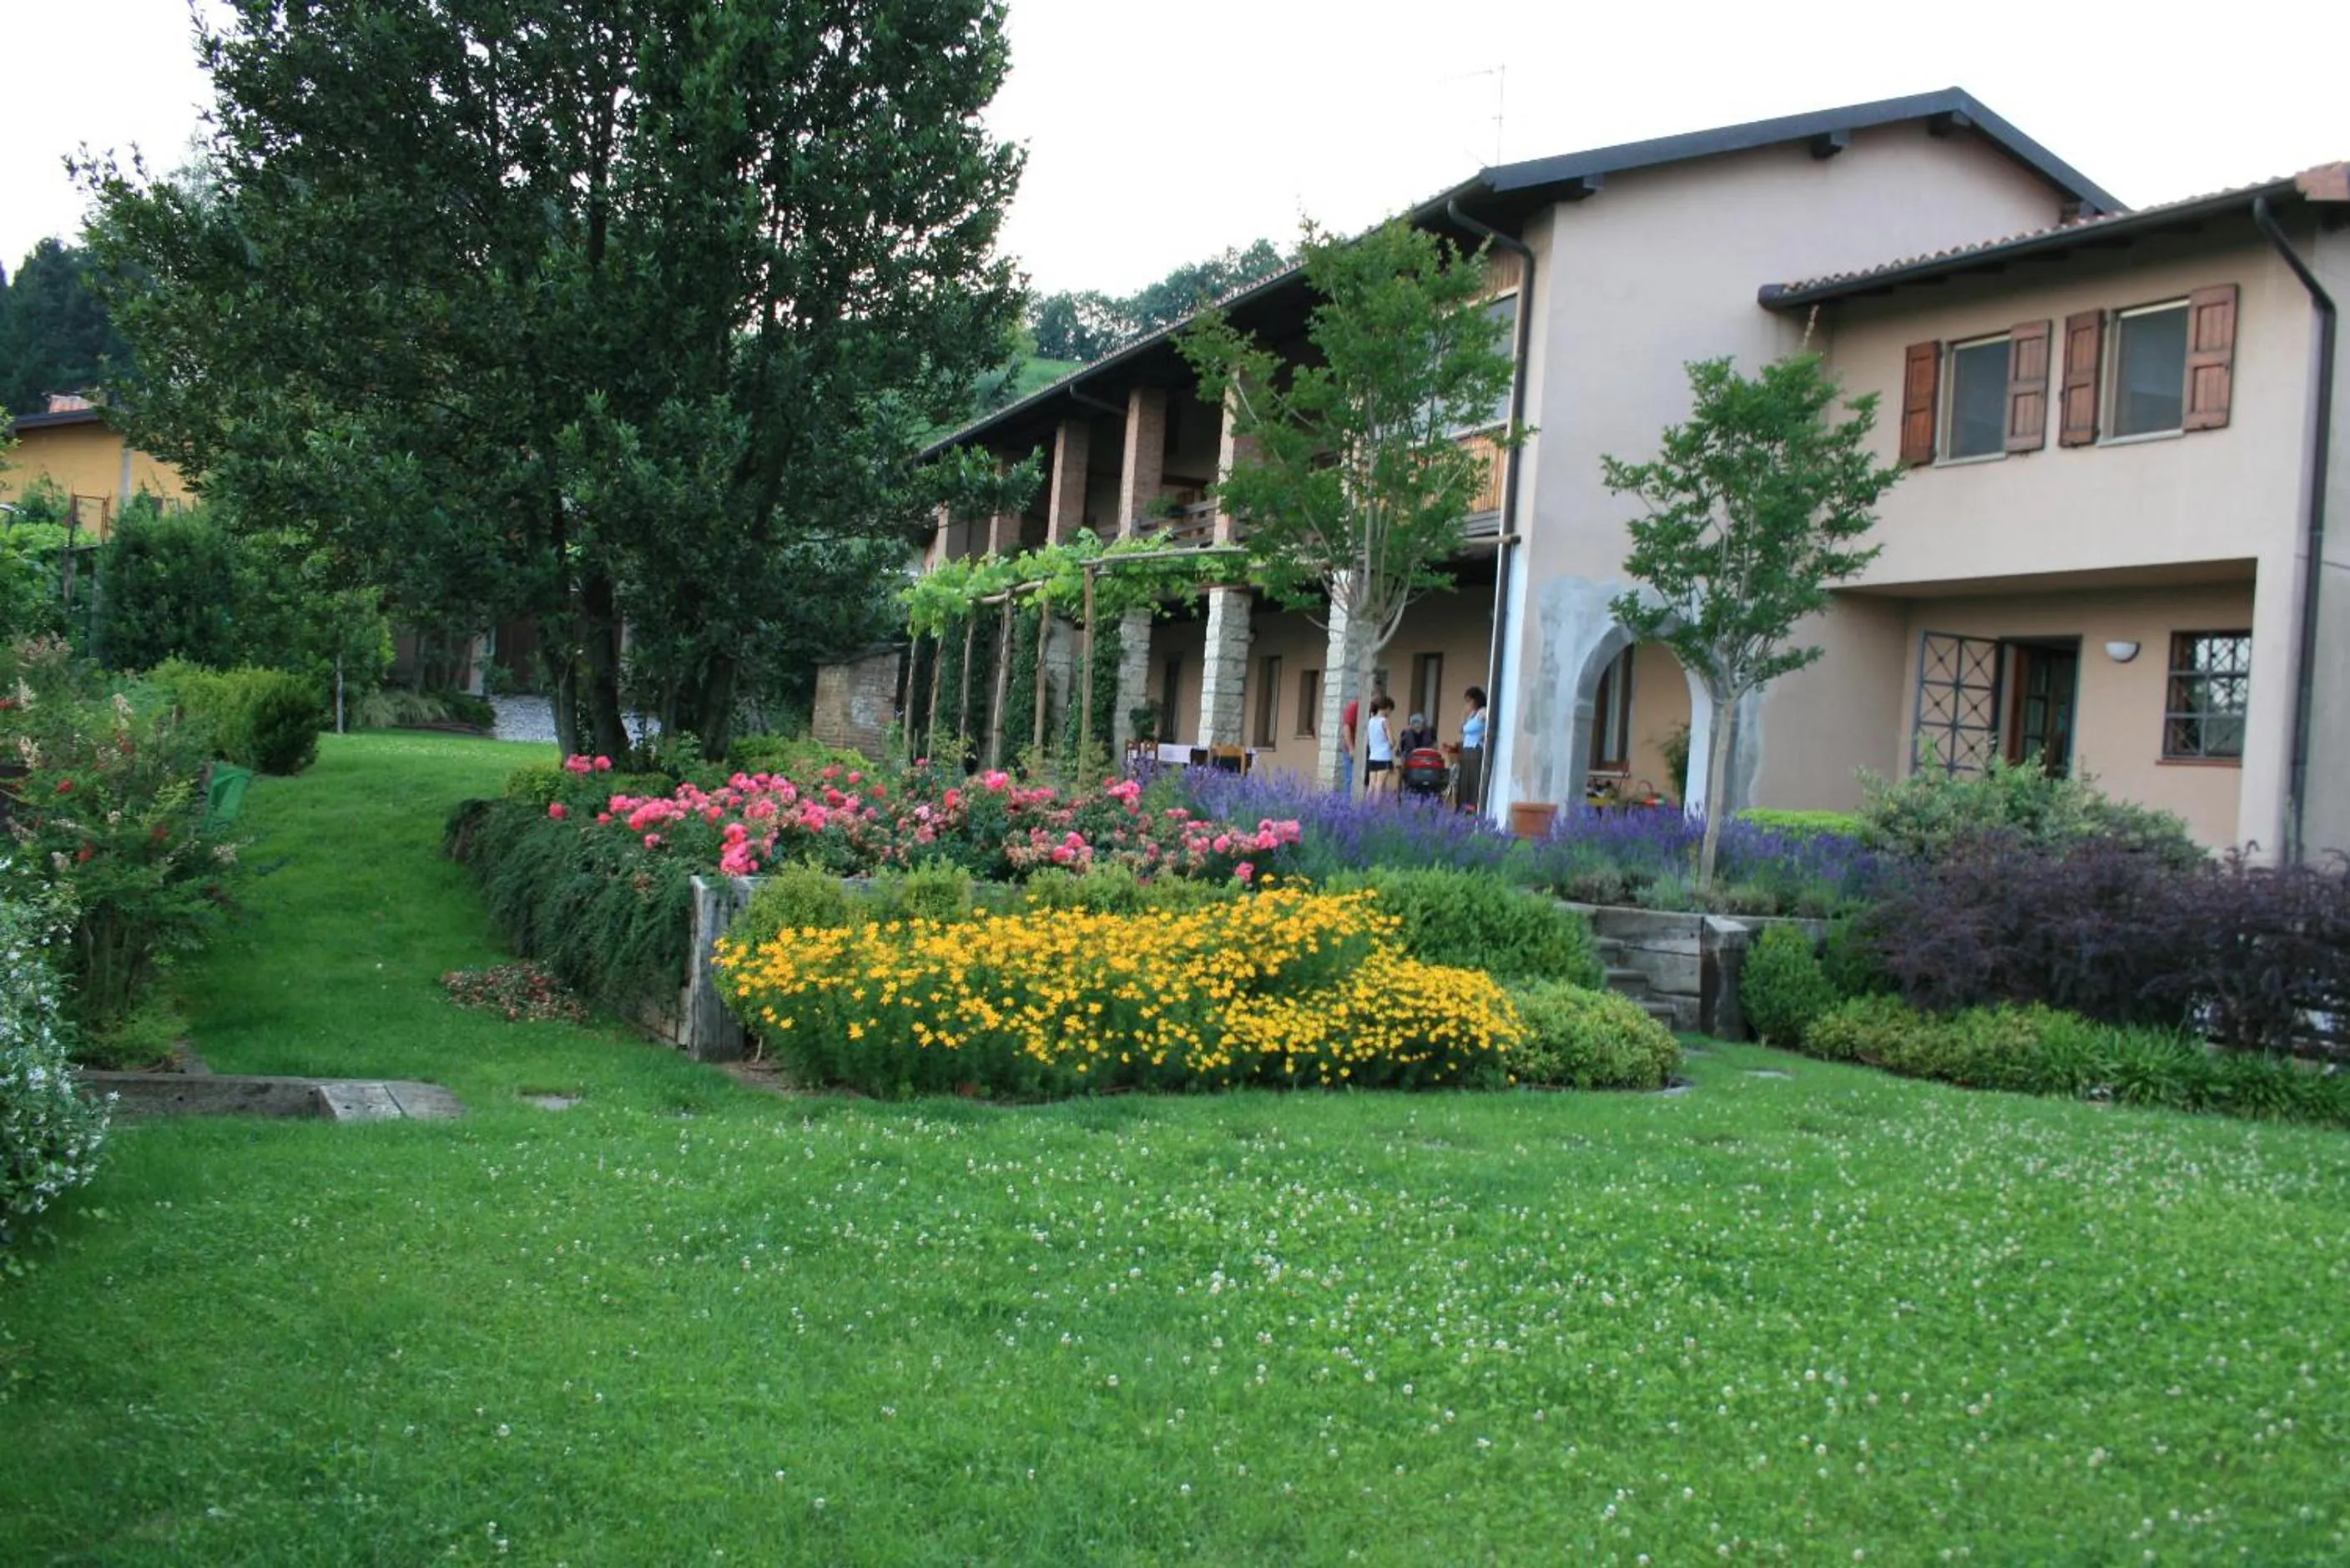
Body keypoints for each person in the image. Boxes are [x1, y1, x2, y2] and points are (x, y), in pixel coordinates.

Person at [1455, 685, 1487, 812]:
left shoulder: (1482, 712)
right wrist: (1464, 714)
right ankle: (1464, 808)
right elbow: (1460, 729)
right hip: (1467, 750)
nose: (1468, 704)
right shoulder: (1472, 714)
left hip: (1475, 750)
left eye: (1469, 700)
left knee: (1473, 780)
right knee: (1465, 781)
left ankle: (1473, 808)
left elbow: (1468, 729)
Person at [1364, 694, 1397, 796]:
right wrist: (1394, 743)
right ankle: (1376, 809)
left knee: (1371, 785)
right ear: (1387, 708)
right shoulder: (1385, 721)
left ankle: (1366, 808)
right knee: (1380, 785)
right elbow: (1392, 742)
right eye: (1390, 710)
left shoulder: (1371, 721)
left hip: (1373, 756)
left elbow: (1369, 741)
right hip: (1384, 757)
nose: (1390, 713)